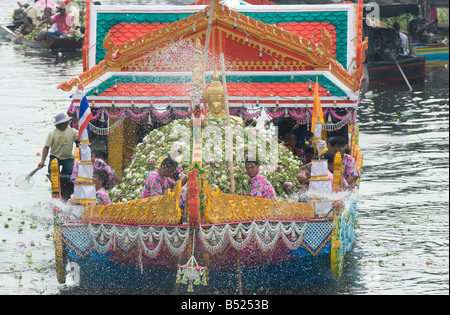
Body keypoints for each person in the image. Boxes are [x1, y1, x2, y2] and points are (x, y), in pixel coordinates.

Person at [38, 113, 78, 200]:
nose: (67, 123)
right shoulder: (52, 133)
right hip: (55, 156)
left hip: (68, 157)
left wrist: (77, 122)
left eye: (67, 122)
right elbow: (46, 147)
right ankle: (57, 186)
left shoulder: (72, 131)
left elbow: (81, 137)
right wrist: (42, 160)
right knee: (51, 171)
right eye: (65, 122)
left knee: (71, 172)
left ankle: (67, 187)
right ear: (59, 124)